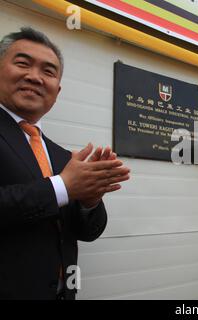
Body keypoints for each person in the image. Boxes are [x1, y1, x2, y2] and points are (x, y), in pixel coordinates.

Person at [0, 27, 130, 300]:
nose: (34, 77)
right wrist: (63, 186)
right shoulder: (66, 171)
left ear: (56, 92)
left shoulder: (61, 156)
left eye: (48, 71)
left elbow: (87, 233)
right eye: (23, 63)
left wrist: (89, 200)